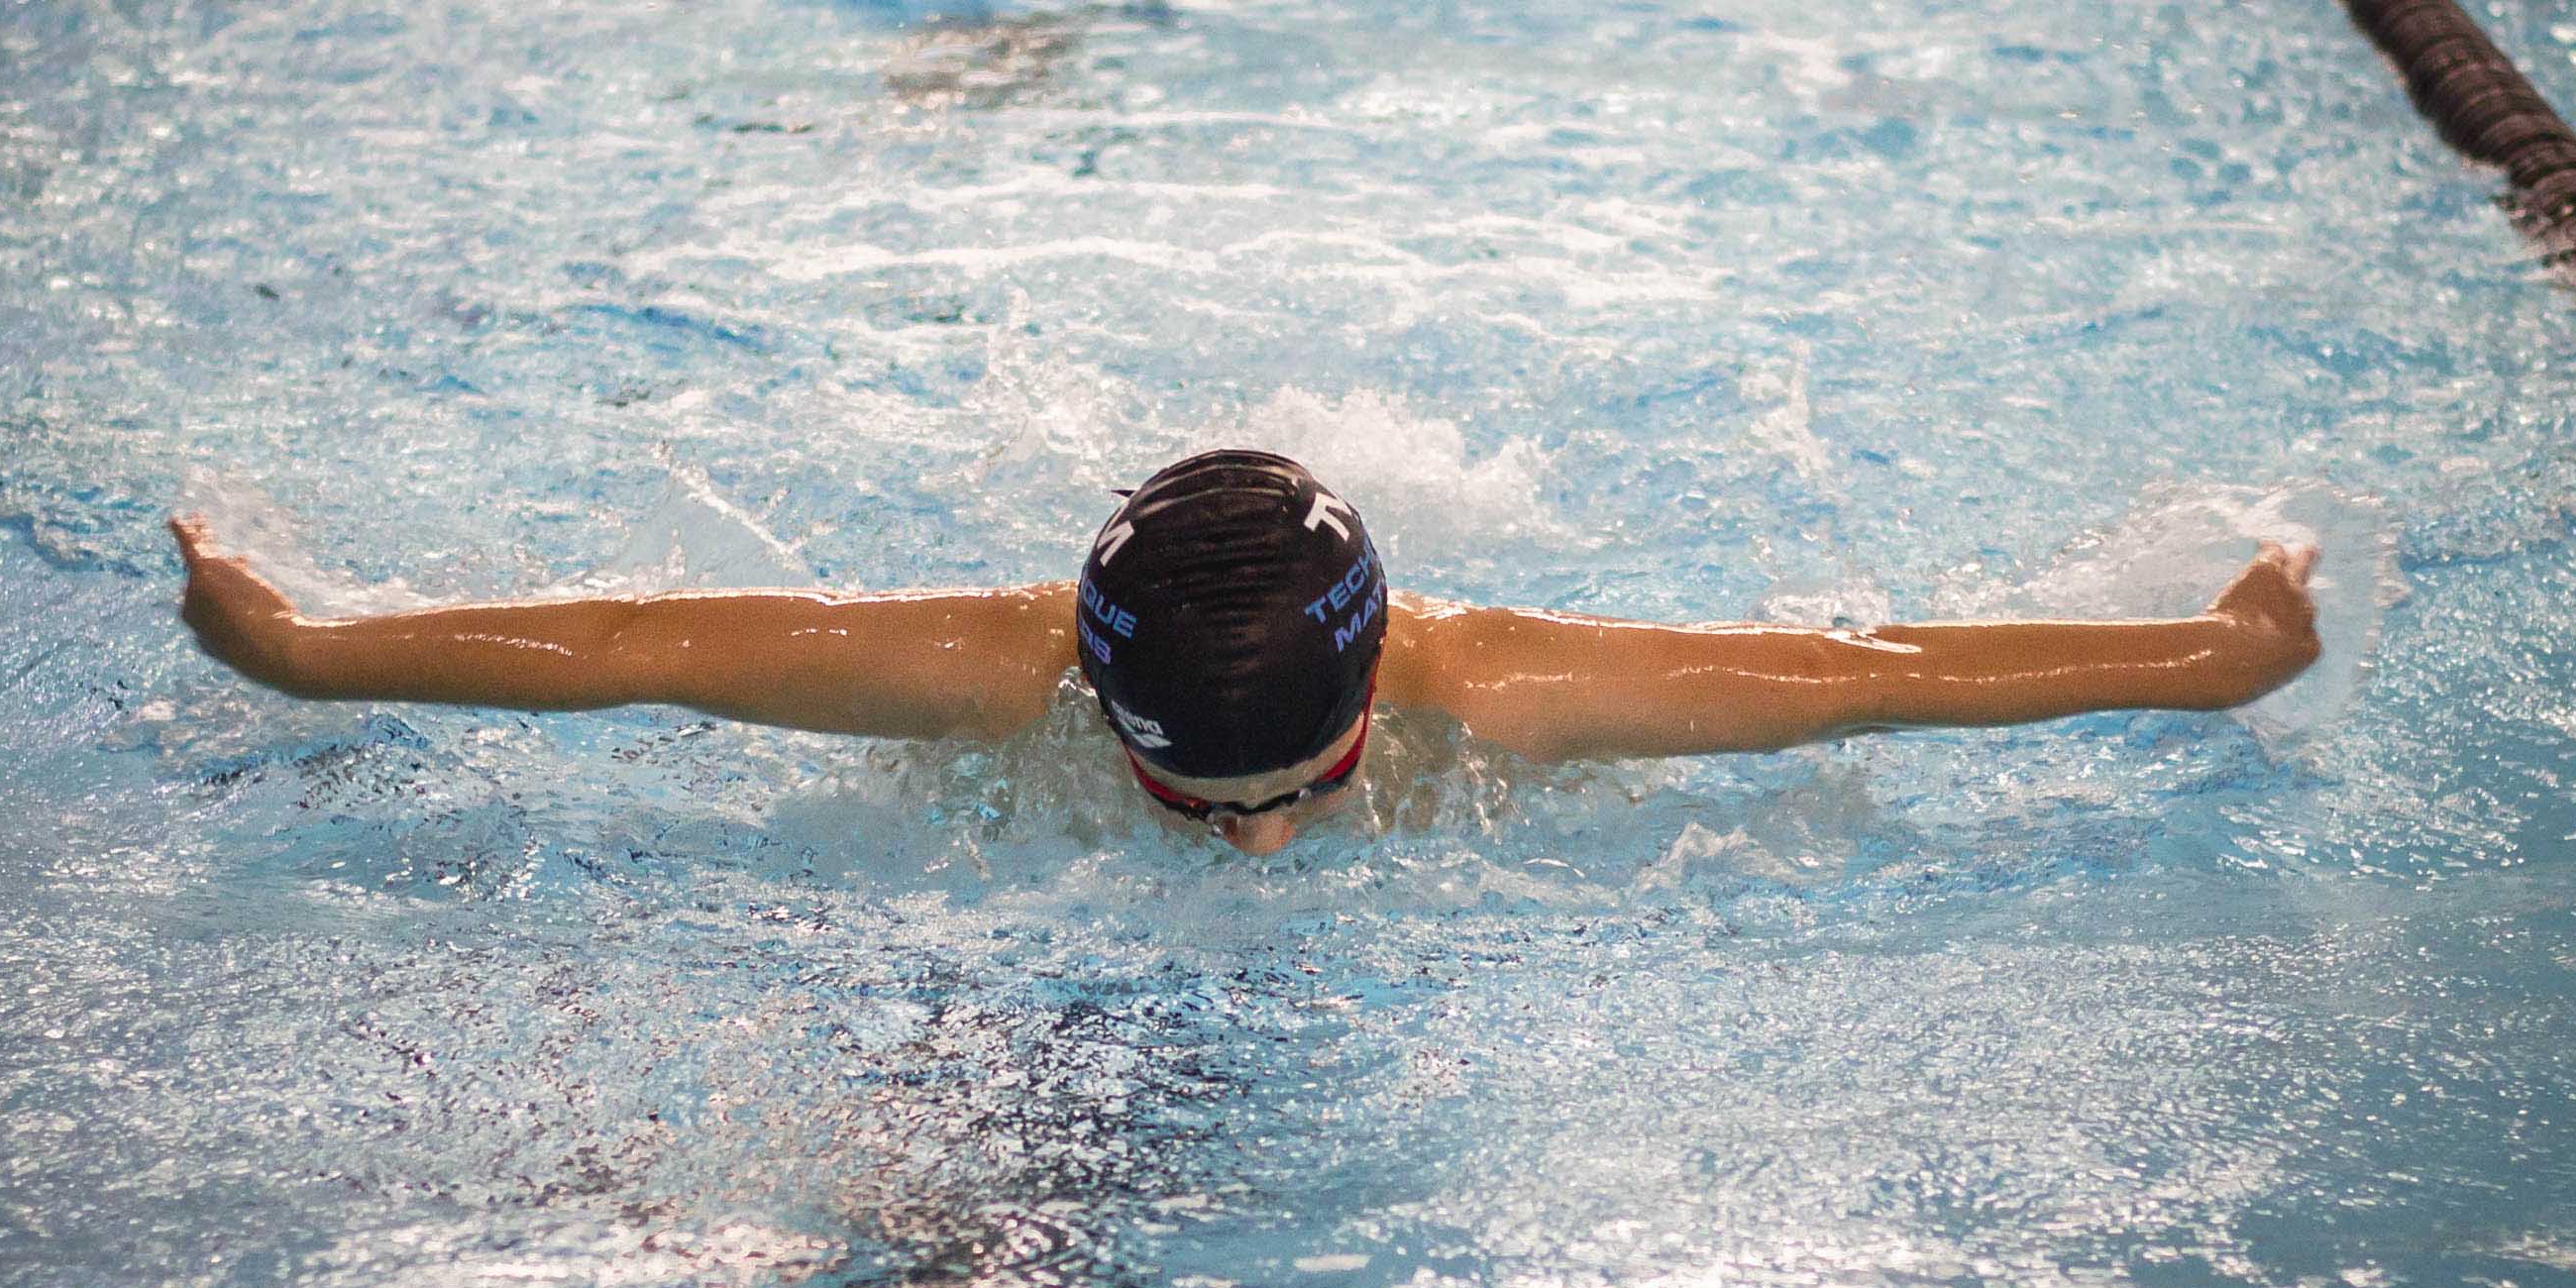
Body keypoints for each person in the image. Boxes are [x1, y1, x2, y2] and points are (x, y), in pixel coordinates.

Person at [171, 448, 2321, 855]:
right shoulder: (980, 665)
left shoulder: (1505, 679)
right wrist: (304, 651)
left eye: (1301, 788)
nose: (1264, 847)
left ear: (1382, 697)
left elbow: (1863, 672)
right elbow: (632, 646)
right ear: (1087, 699)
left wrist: (2203, 658)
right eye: (1186, 799)